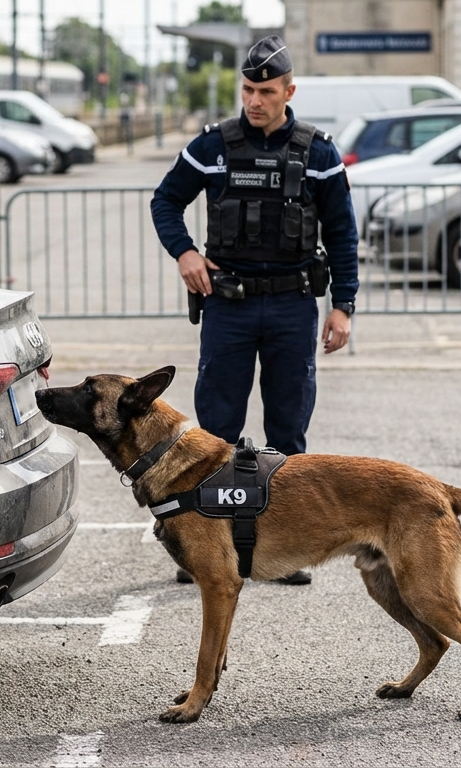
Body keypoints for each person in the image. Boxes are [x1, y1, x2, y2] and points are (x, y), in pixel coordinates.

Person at [150, 36, 359, 587]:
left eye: (266, 92)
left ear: (289, 91)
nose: (254, 101)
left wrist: (343, 306)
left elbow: (342, 233)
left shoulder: (318, 153)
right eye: (247, 90)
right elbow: (165, 201)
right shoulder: (213, 145)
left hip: (293, 305)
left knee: (288, 432)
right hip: (229, 307)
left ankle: (284, 549)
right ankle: (204, 547)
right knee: (215, 433)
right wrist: (185, 252)